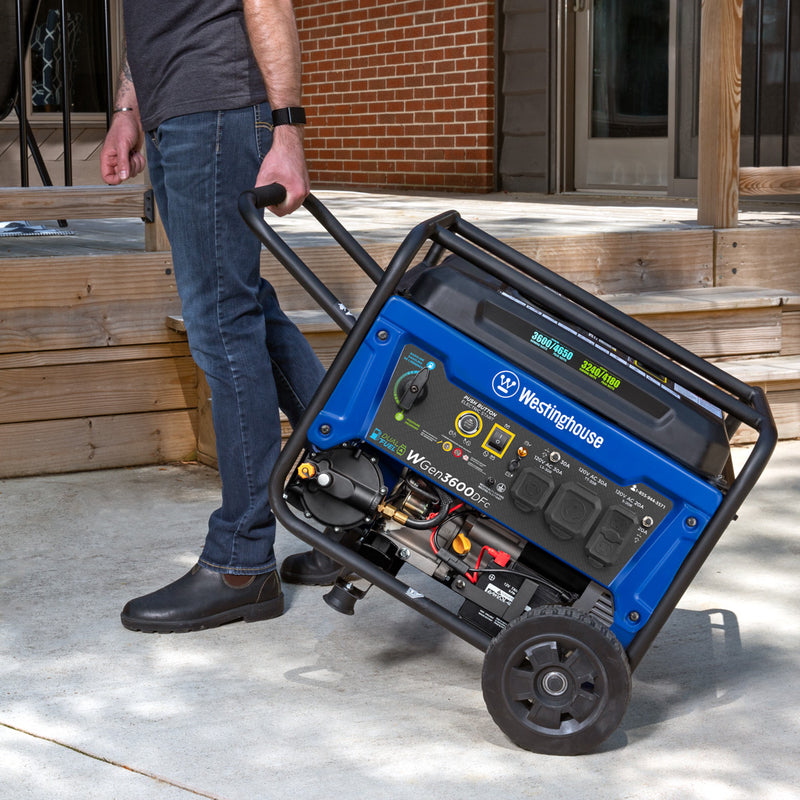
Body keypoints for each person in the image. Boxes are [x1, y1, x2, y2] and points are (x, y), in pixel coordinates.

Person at [101, 0, 339, 633]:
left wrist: (287, 130)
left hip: (217, 112)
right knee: (244, 307)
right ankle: (356, 510)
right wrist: (129, 109)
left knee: (222, 323)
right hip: (176, 117)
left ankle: (242, 562)